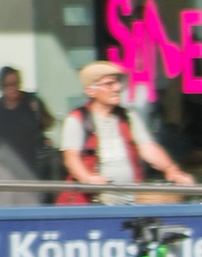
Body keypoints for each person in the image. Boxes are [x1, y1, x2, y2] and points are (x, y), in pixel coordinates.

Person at [61, 61, 194, 204]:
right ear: (91, 91)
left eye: (118, 82)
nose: (117, 88)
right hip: (94, 203)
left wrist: (171, 169)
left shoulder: (128, 116)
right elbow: (71, 158)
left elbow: (147, 147)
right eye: (109, 84)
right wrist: (87, 179)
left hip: (130, 200)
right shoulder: (77, 119)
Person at [0, 67, 54, 204]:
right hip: (6, 170)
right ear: (1, 86)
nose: (13, 88)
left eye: (16, 83)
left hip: (31, 169)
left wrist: (38, 110)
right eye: (8, 85)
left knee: (32, 209)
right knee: (7, 209)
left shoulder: (31, 101)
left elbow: (50, 123)